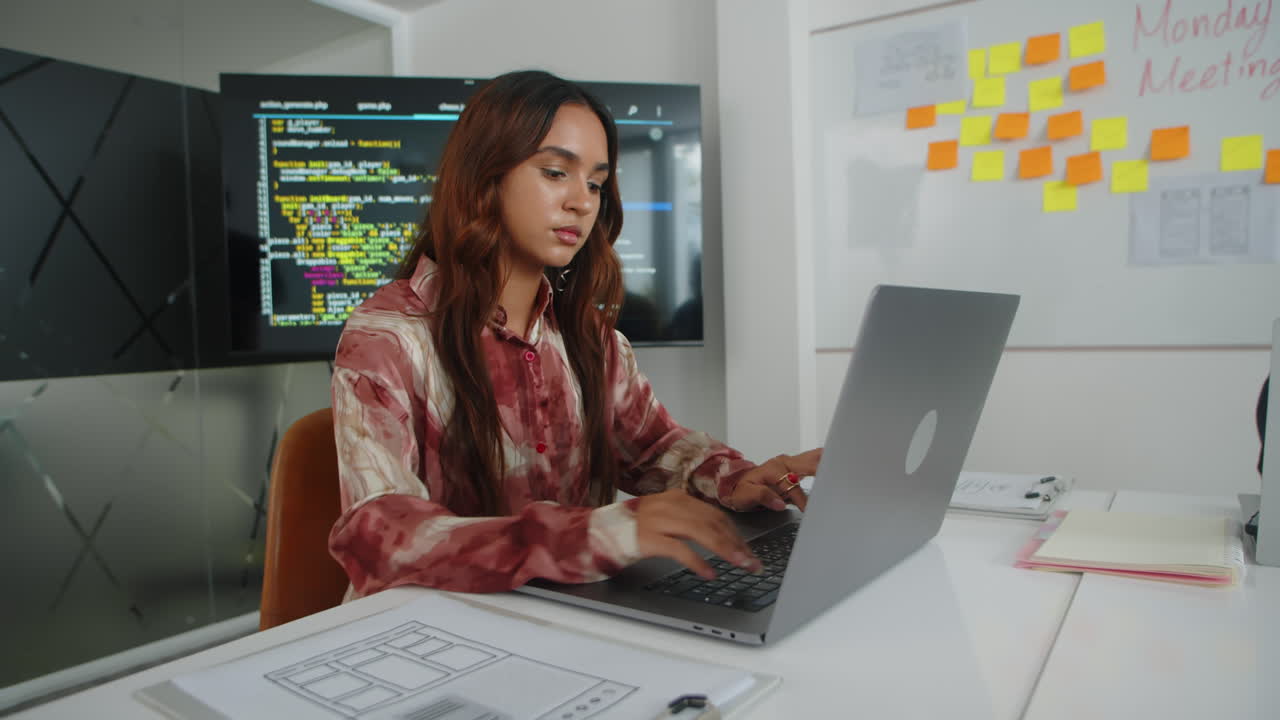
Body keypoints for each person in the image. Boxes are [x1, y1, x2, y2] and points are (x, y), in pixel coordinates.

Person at [328, 70, 821, 601]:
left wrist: (736, 479)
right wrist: (587, 534)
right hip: (435, 636)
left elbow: (654, 448)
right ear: (483, 175)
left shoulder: (592, 339)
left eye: (594, 183)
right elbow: (380, 532)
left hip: (569, 618)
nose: (582, 203)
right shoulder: (388, 338)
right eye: (555, 172)